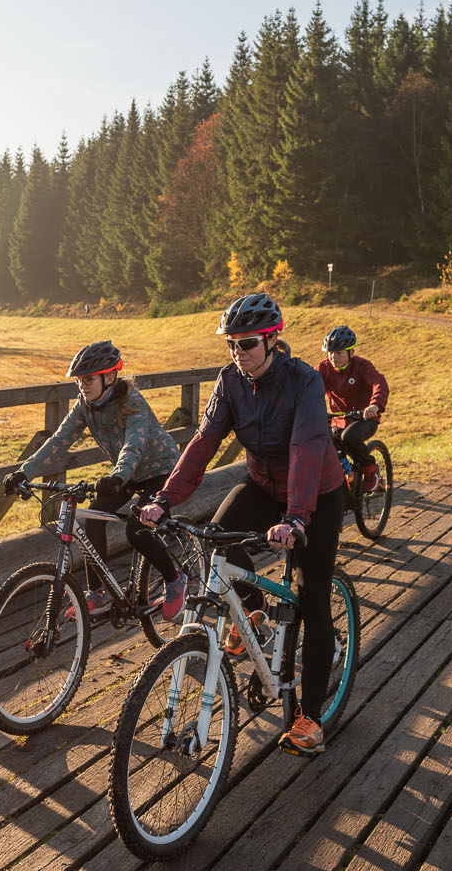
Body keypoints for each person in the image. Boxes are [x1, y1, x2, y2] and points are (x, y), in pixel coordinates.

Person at [140, 292, 344, 757]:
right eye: (231, 344)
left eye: (247, 343)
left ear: (273, 339)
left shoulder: (304, 381)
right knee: (216, 537)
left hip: (316, 493)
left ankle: (310, 717)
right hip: (262, 484)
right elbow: (203, 440)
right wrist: (164, 499)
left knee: (313, 602)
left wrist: (296, 516)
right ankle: (253, 616)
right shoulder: (231, 381)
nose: (238, 352)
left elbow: (308, 447)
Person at [6, 340, 187, 618]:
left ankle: (175, 580)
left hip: (160, 470)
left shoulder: (133, 403)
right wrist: (24, 471)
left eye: (88, 379)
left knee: (136, 528)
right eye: (80, 380)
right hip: (126, 473)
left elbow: (133, 447)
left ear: (110, 377)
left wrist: (118, 476)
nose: (83, 386)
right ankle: (98, 592)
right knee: (93, 517)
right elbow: (59, 441)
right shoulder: (85, 406)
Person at [317, 324, 389, 493]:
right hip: (337, 419)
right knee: (322, 440)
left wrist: (375, 405)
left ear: (351, 352)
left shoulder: (362, 366)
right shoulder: (324, 367)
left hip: (364, 418)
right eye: (330, 352)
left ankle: (371, 470)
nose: (333, 357)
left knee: (349, 437)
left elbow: (379, 383)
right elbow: (308, 385)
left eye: (339, 353)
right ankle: (346, 475)